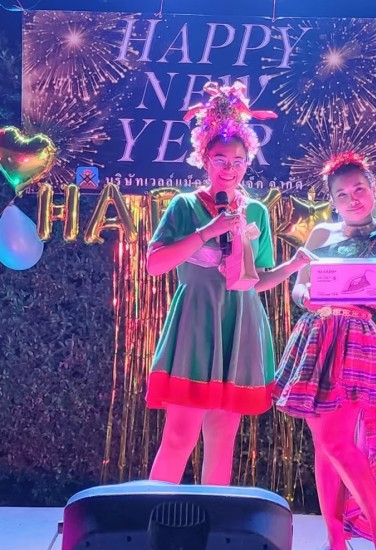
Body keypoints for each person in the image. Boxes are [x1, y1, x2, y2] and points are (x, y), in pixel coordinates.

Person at [145, 82, 313, 486]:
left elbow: (257, 282)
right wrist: (209, 231)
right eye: (220, 159)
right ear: (204, 159)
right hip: (196, 323)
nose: (229, 168)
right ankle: (152, 516)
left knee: (222, 438)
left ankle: (211, 520)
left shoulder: (256, 211)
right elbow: (155, 264)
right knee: (179, 436)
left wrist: (293, 266)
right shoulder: (184, 206)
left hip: (240, 324)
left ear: (248, 162)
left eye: (238, 160)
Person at [273, 152, 376, 550]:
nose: (353, 199)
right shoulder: (321, 234)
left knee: (336, 441)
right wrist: (305, 296)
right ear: (332, 200)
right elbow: (299, 287)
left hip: (356, 338)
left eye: (360, 189)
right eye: (343, 194)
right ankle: (335, 540)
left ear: (374, 190)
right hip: (317, 334)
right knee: (324, 445)